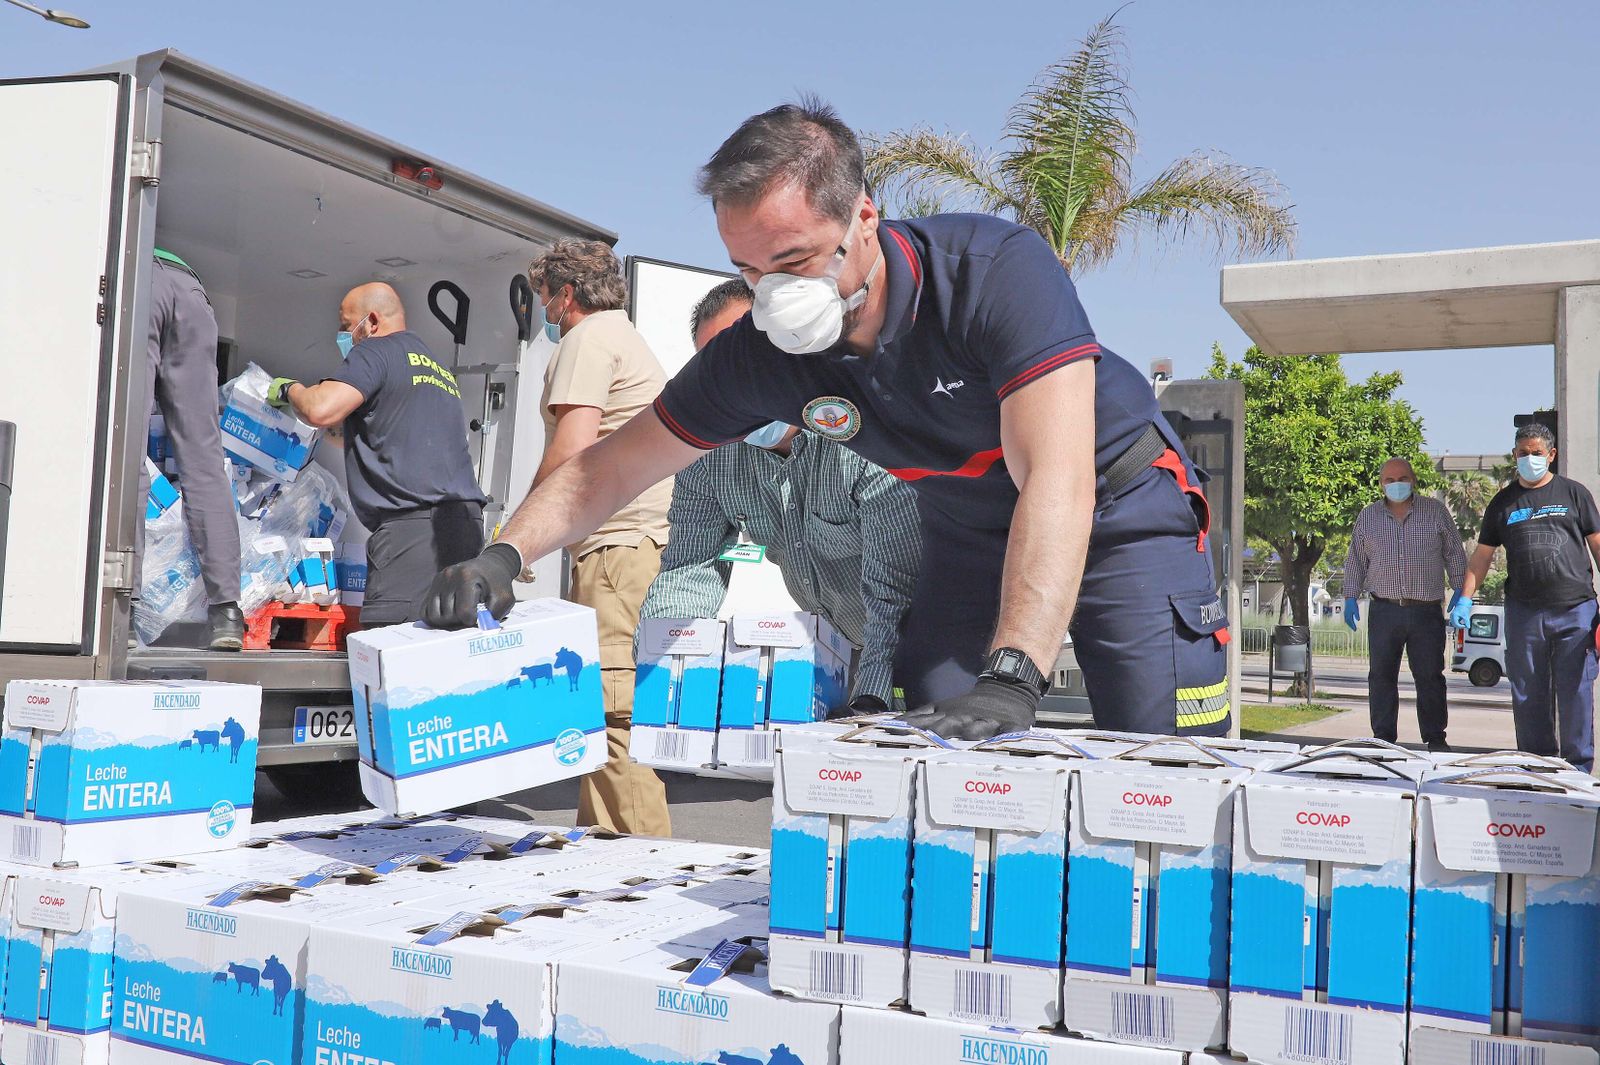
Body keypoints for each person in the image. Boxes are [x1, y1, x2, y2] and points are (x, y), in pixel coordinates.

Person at [423, 99, 1229, 742]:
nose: (773, 295)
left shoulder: (993, 273)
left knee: (1156, 757)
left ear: (865, 222)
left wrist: (1016, 671)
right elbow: (614, 466)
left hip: (1119, 506)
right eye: (746, 269)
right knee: (935, 742)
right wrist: (503, 554)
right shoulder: (760, 355)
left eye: (795, 262)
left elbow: (1056, 477)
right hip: (969, 530)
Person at [640, 279, 923, 713]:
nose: (732, 382)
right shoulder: (710, 455)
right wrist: (665, 673)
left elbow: (894, 592)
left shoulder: (858, 430)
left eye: (745, 358)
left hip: (924, 637)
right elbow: (689, 567)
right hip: (843, 647)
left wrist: (870, 702)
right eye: (713, 369)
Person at [528, 240, 675, 835]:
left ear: (566, 296)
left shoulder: (588, 339)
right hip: (624, 547)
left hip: (615, 550)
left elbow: (572, 448)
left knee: (613, 719)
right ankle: (603, 855)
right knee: (599, 712)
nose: (546, 314)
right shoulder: (623, 335)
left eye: (545, 300)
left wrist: (514, 540)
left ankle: (647, 871)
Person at [266, 282, 486, 625]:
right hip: (465, 531)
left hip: (413, 536)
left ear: (370, 322)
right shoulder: (434, 368)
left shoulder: (375, 351)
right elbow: (375, 434)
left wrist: (291, 390)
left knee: (390, 652)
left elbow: (321, 409)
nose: (343, 337)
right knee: (447, 649)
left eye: (345, 326)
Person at [1456, 424, 1600, 772]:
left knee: (1575, 692)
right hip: (1525, 613)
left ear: (1551, 455)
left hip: (1575, 610)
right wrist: (1464, 598)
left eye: (1537, 453)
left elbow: (1597, 544)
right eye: (1523, 453)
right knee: (1527, 692)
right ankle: (1536, 764)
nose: (1530, 458)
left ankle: (1577, 768)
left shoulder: (1574, 494)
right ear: (1514, 455)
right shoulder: (1503, 503)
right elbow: (1482, 556)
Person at [137, 249, 244, 650]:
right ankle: (227, 613)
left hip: (141, 284)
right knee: (204, 462)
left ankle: (124, 607)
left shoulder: (123, 238)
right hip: (193, 292)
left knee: (125, 451)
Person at [1341, 458, 1467, 751]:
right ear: (1381, 484)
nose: (1396, 484)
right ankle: (1384, 738)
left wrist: (1461, 590)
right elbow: (1356, 560)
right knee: (1381, 676)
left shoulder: (1435, 512)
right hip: (1385, 610)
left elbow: (1454, 553)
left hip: (1426, 611)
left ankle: (1436, 738)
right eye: (1389, 480)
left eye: (1402, 478)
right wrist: (1349, 596)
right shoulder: (1368, 516)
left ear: (1413, 480)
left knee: (1430, 677)